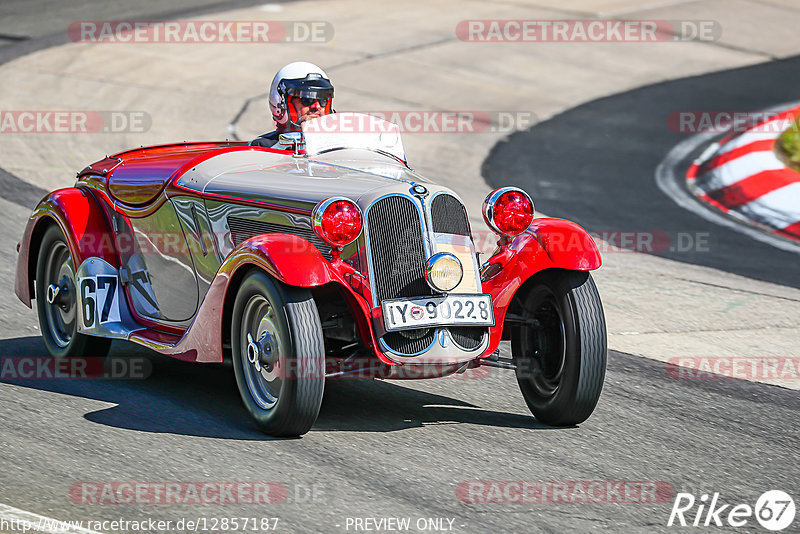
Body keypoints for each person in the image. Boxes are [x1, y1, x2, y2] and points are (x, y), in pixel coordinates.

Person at [250, 62, 334, 148]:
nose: (316, 107)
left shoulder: (341, 144)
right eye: (307, 100)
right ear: (280, 104)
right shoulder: (261, 148)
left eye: (323, 100)